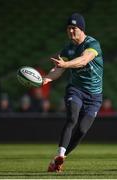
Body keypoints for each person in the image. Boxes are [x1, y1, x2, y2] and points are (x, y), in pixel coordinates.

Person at [43, 13, 103, 172]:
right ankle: (60, 153)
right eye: (68, 28)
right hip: (76, 90)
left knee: (82, 130)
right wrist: (46, 79)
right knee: (72, 118)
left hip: (95, 97)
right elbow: (58, 70)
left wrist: (66, 64)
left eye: (74, 28)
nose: (70, 31)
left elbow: (83, 60)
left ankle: (58, 160)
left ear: (81, 29)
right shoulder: (68, 49)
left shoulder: (92, 44)